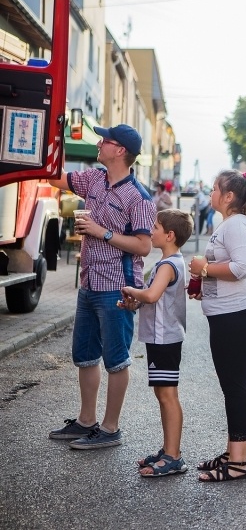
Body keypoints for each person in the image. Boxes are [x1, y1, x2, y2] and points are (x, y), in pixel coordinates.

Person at [47, 123, 156, 450]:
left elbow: (144, 247)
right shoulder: (94, 178)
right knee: (85, 355)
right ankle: (86, 420)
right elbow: (56, 177)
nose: (98, 143)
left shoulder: (138, 196)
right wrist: (52, 138)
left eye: (104, 140)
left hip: (119, 289)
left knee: (116, 359)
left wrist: (100, 231)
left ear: (120, 150)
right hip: (90, 283)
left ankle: (110, 429)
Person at [189, 170, 246, 482]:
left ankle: (238, 463)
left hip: (239, 315)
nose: (209, 194)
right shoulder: (231, 223)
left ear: (229, 197)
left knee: (235, 386)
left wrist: (205, 268)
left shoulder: (236, 224)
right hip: (231, 313)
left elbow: (242, 267)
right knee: (232, 386)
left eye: (213, 189)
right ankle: (233, 452)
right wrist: (204, 282)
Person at [119, 209, 194, 477]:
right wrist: (134, 303)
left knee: (167, 395)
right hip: (161, 338)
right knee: (163, 394)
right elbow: (154, 298)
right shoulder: (173, 262)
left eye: (156, 226)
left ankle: (174, 456)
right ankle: (168, 449)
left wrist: (132, 291)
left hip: (165, 339)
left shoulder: (167, 265)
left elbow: (152, 295)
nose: (151, 229)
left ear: (169, 235)